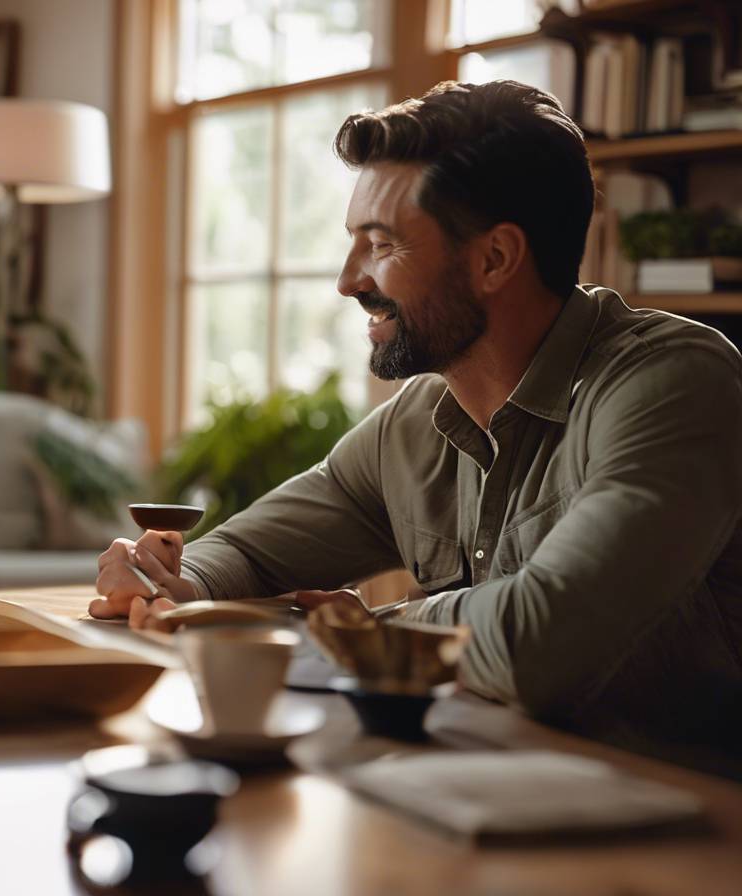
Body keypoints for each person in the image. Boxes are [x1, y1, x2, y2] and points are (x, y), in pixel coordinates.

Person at [93, 80, 742, 767]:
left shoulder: (672, 384)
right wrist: (174, 578)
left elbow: (537, 646)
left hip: (687, 831)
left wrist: (371, 629)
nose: (347, 280)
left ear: (495, 258)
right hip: (483, 792)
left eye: (380, 245)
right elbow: (249, 553)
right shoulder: (415, 422)